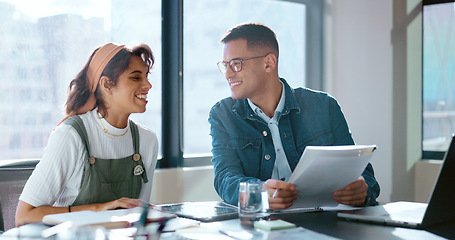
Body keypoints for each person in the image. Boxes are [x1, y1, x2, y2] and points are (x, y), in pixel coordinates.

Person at [209, 23, 380, 210]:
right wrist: (259, 193)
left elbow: (363, 173)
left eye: (236, 64)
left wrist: (362, 191)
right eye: (225, 65)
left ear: (269, 63)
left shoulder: (324, 106)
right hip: (263, 225)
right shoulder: (222, 115)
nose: (228, 74)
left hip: (325, 220)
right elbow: (225, 177)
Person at [15, 43, 159, 226]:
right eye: (136, 78)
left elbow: (136, 215)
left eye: (146, 77)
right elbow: (24, 216)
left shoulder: (148, 141)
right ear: (107, 84)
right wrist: (100, 208)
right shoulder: (71, 135)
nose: (148, 85)